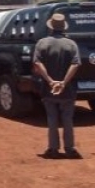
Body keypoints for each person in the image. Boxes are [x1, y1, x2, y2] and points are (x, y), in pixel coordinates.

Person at [33, 13, 82, 159]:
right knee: (67, 118)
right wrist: (63, 83)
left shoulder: (42, 43)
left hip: (48, 90)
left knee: (52, 118)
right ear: (63, 27)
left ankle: (53, 149)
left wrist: (50, 81)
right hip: (68, 90)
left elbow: (37, 63)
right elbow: (75, 64)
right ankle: (70, 149)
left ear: (51, 27)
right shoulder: (71, 44)